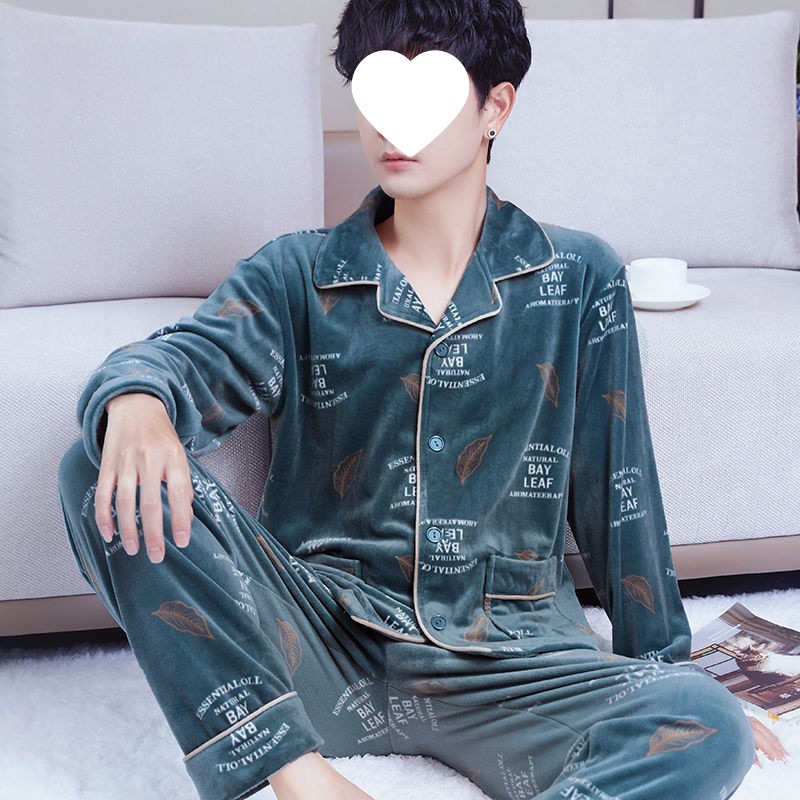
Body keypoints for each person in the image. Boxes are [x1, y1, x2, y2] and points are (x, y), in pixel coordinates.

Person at [57, 2, 787, 799]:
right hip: (320, 646)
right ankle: (298, 776)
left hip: (513, 658)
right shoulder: (295, 272)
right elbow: (185, 361)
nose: (391, 126)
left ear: (495, 107)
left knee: (705, 725)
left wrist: (668, 676)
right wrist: (137, 397)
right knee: (95, 464)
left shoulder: (579, 277)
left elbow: (620, 491)